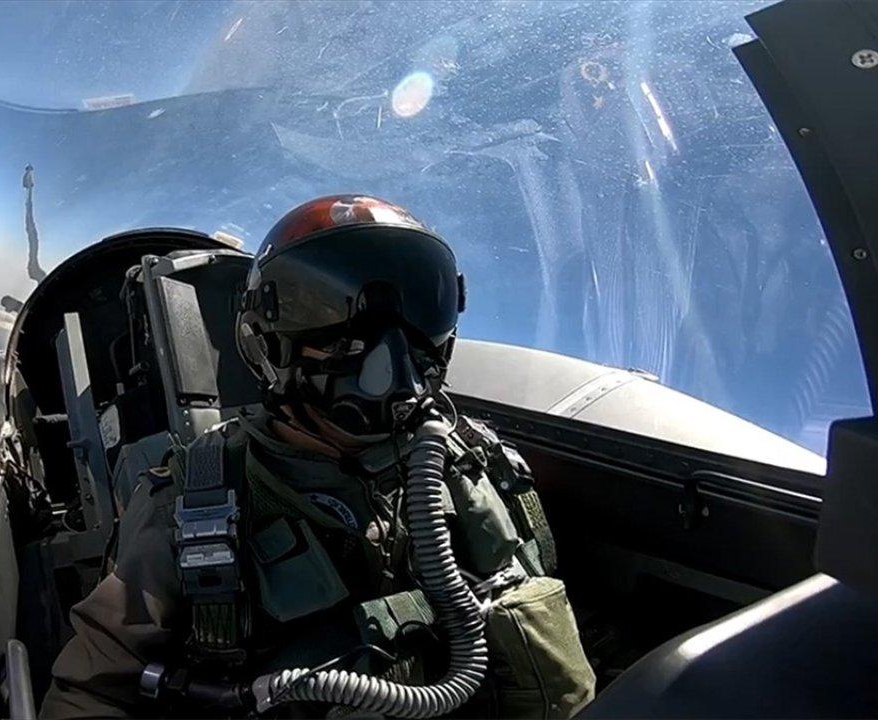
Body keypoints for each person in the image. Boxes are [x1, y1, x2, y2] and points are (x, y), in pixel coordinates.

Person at [42, 195, 595, 719]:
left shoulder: (475, 464)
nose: (389, 353)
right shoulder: (192, 504)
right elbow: (92, 688)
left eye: (414, 314)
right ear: (269, 342)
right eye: (336, 324)